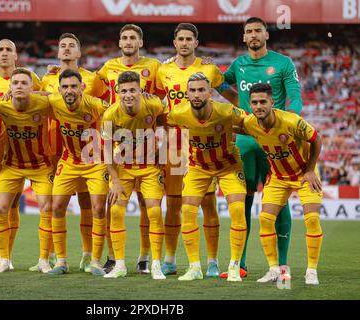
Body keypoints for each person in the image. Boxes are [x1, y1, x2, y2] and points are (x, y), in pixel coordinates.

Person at [220, 17, 303, 279]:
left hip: (275, 141)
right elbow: (220, 84)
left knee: (278, 201)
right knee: (241, 201)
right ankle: (240, 264)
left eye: (258, 31)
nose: (253, 35)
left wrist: (289, 124)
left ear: (266, 35)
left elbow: (296, 97)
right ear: (243, 38)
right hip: (244, 141)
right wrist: (237, 101)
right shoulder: (239, 64)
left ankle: (282, 266)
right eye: (248, 32)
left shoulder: (283, 63)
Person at [155, 23, 239, 277]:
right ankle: (170, 259)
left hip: (203, 145)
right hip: (173, 146)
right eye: (180, 38)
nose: (184, 43)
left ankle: (212, 261)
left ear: (196, 42)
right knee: (173, 205)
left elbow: (232, 96)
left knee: (208, 204)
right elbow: (158, 103)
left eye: (188, 39)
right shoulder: (163, 70)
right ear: (174, 42)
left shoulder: (209, 69)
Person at [166, 72, 247, 281]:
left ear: (210, 92)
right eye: (192, 90)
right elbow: (157, 120)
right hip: (198, 167)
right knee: (188, 212)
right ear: (186, 93)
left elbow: (252, 124)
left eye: (201, 90)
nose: (196, 95)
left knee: (238, 210)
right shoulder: (178, 113)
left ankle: (234, 267)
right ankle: (194, 267)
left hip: (228, 165)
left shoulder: (227, 111)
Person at [240, 83, 323, 285]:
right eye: (254, 102)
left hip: (304, 174)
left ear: (272, 102)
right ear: (250, 104)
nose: (258, 106)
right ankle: (274, 269)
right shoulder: (250, 123)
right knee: (265, 219)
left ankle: (311, 270)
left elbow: (316, 139)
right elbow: (228, 122)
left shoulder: (291, 121)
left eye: (263, 102)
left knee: (311, 219)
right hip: (278, 177)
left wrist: (311, 170)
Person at [40, 33, 109, 273]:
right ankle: (59, 261)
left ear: (82, 87)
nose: (69, 90)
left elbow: (113, 110)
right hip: (64, 157)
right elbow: (38, 97)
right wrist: (14, 94)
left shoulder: (94, 89)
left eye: (72, 46)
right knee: (56, 206)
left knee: (96, 208)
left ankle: (94, 260)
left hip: (95, 159)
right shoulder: (50, 86)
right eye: (63, 46)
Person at [97, 24, 161, 274]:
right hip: (121, 165)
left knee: (153, 212)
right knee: (113, 210)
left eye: (133, 37)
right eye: (123, 37)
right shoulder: (110, 113)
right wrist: (114, 180)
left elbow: (166, 124)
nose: (127, 94)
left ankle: (151, 262)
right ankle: (118, 263)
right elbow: (87, 85)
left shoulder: (154, 98)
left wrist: (165, 157)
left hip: (149, 166)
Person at [0, 39, 41, 270]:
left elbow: (44, 98)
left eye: (9, 50)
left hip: (20, 151)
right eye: (0, 50)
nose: (4, 54)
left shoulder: (30, 78)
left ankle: (7, 257)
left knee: (11, 204)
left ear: (16, 56)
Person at [0, 68, 54, 273]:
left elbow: (61, 95)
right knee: (0, 209)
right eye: (15, 83)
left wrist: (35, 94)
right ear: (9, 87)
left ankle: (44, 260)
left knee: (47, 209)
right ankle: (4, 259)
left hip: (41, 166)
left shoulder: (44, 103)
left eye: (24, 83)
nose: (19, 86)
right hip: (11, 166)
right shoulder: (0, 105)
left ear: (31, 87)